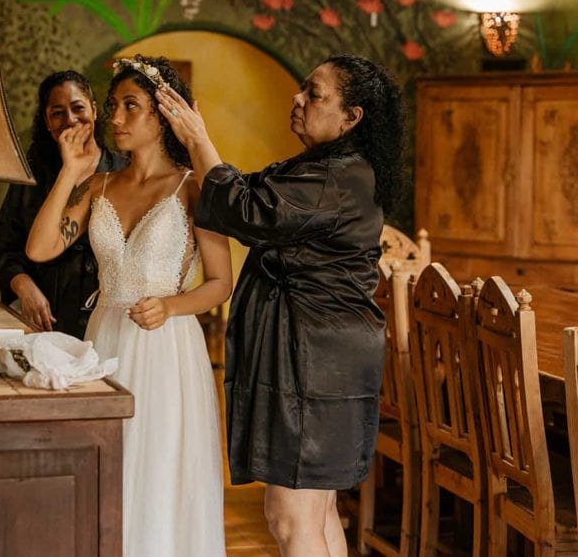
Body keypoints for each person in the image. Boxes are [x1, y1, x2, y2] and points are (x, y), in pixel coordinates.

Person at [156, 54, 405, 557]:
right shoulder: (331, 168)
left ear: (351, 117)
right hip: (319, 358)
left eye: (314, 94)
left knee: (292, 519)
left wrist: (198, 140)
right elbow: (249, 196)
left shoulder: (338, 176)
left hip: (316, 362)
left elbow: (248, 210)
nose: (297, 99)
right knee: (315, 513)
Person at [26, 55, 231, 557]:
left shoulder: (194, 188)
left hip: (166, 349)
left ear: (162, 116)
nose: (113, 118)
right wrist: (71, 170)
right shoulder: (99, 185)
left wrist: (171, 305)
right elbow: (39, 248)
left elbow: (222, 283)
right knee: (108, 469)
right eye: (113, 105)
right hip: (104, 342)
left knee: (157, 469)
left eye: (130, 107)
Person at [0, 71, 127, 337]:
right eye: (57, 113)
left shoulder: (124, 171)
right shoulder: (31, 176)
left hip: (109, 319)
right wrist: (23, 287)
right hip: (45, 317)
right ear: (46, 121)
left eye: (78, 108)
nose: (70, 120)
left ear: (94, 110)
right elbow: (6, 246)